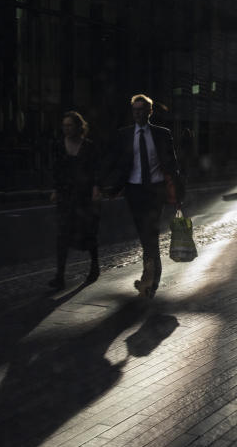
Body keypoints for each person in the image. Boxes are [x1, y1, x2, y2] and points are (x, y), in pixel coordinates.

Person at [100, 94, 184, 299]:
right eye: (134, 110)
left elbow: (173, 166)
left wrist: (178, 193)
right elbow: (118, 163)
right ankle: (150, 276)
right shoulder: (125, 135)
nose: (137, 113)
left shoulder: (162, 134)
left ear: (149, 112)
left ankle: (151, 280)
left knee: (151, 235)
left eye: (141, 110)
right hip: (134, 191)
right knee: (145, 235)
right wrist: (104, 184)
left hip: (155, 190)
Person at [47, 110, 101, 290]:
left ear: (78, 126)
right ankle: (59, 276)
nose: (66, 129)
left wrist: (95, 188)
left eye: (70, 125)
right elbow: (56, 169)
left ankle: (95, 265)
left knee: (88, 232)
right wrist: (55, 189)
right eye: (64, 125)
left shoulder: (89, 146)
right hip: (65, 194)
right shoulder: (58, 145)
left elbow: (95, 169)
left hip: (84, 195)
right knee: (62, 234)